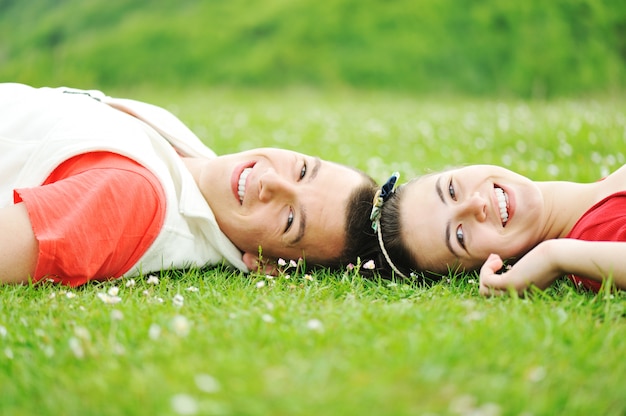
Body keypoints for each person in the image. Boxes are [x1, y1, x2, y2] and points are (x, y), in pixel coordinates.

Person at [0, 83, 377, 286]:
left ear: (268, 265)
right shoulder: (193, 161)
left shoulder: (136, 201)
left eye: (290, 219)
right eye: (302, 170)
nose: (272, 183)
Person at [362, 165, 626, 296]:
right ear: (492, 267)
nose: (476, 204)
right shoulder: (601, 240)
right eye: (461, 236)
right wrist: (553, 256)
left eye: (452, 190)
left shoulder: (601, 198)